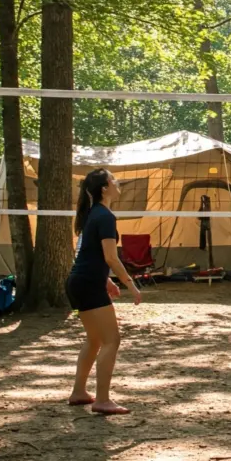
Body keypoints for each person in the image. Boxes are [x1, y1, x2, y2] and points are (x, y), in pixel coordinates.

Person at [67, 168, 141, 415]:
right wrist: (129, 284)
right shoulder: (104, 216)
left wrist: (106, 281)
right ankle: (102, 400)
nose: (118, 183)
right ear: (104, 188)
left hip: (79, 282)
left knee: (95, 338)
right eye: (114, 180)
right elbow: (110, 257)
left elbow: (91, 254)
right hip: (86, 283)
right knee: (112, 340)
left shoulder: (94, 214)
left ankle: (79, 392)